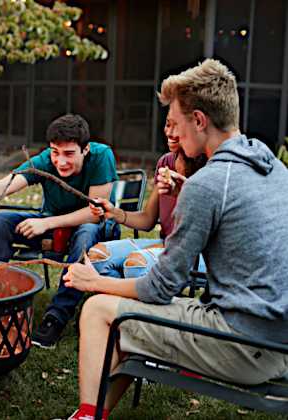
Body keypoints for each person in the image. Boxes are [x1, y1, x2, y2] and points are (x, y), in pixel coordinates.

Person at [62, 58, 288, 420]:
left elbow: (159, 288)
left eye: (177, 124)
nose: (174, 135)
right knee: (131, 325)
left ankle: (87, 418)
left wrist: (94, 281)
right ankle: (92, 414)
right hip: (277, 340)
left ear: (199, 120)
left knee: (98, 310)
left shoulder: (208, 184)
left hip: (242, 346)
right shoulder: (273, 167)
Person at [0, 114, 118, 349]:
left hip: (98, 229)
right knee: (1, 220)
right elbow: (7, 183)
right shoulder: (44, 161)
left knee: (86, 232)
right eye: (55, 152)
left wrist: (47, 223)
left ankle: (56, 317)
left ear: (85, 149)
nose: (60, 161)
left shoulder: (102, 156)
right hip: (53, 227)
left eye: (69, 154)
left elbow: (96, 212)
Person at [87, 119, 207, 279]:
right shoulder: (166, 163)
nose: (169, 132)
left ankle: (139, 297)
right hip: (167, 244)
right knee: (98, 256)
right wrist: (114, 212)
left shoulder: (211, 168)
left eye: (177, 126)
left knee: (137, 264)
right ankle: (131, 298)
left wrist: (185, 193)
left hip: (201, 253)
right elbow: (147, 219)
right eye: (168, 125)